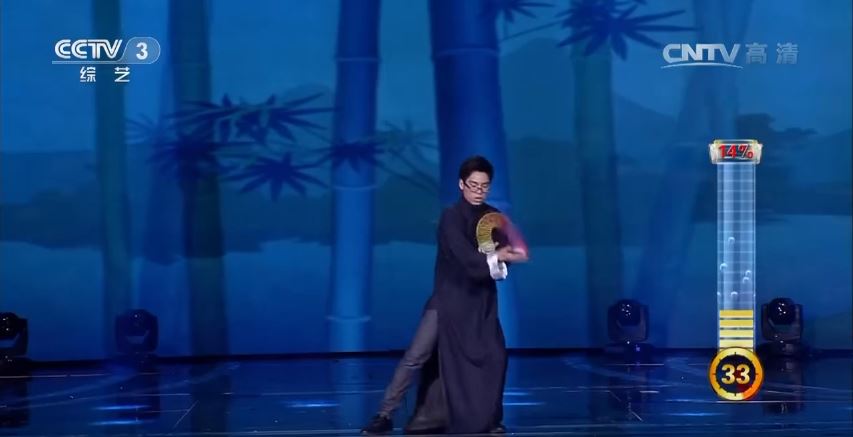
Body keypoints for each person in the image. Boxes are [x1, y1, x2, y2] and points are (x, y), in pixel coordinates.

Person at [361, 156, 528, 435]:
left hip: (480, 304)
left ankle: (490, 419)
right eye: (473, 185)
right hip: (448, 300)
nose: (478, 191)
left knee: (495, 357)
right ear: (461, 184)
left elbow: (498, 262)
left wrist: (506, 257)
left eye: (484, 186)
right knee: (416, 356)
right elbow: (465, 258)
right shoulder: (451, 217)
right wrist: (497, 257)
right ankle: (384, 414)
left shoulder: (493, 217)